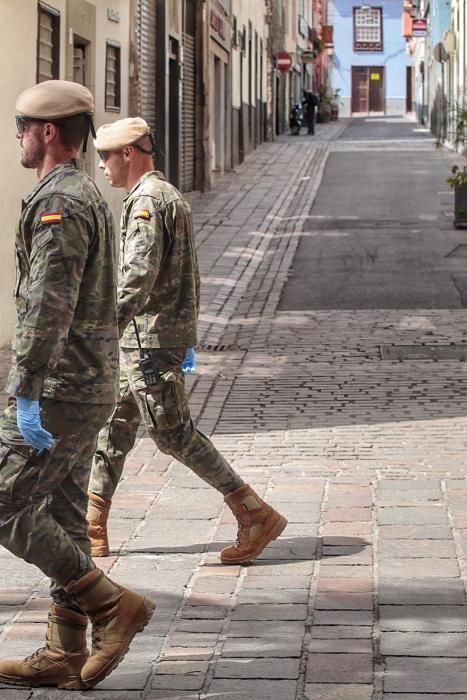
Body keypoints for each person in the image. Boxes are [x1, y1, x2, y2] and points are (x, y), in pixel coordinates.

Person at [0, 82, 154, 691]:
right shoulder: (80, 194)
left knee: (2, 507)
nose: (18, 134)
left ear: (49, 132)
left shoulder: (62, 203)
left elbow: (47, 304)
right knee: (65, 514)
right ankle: (64, 649)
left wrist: (26, 387)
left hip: (59, 387)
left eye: (22, 124)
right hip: (87, 383)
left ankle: (113, 606)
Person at [86, 117, 288, 566]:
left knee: (173, 434)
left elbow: (137, 276)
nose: (101, 166)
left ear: (128, 154)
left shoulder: (147, 203)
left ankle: (254, 511)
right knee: (115, 423)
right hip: (148, 337)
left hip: (151, 339)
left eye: (105, 156)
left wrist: (103, 327)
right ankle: (92, 522)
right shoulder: (161, 196)